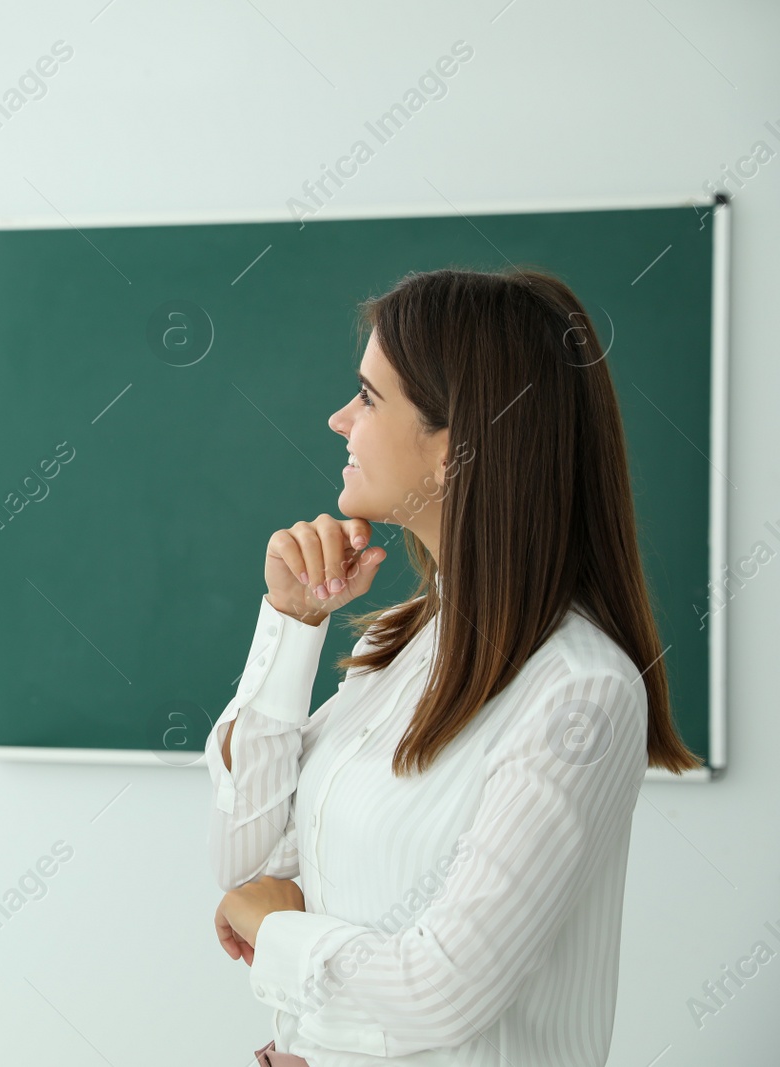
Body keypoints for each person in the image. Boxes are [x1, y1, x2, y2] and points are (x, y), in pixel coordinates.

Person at [205, 267, 701, 1066]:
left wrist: (278, 929)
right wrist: (291, 629)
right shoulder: (395, 646)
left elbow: (439, 990)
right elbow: (248, 863)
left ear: (457, 444)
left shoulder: (582, 696)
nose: (338, 419)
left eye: (368, 397)